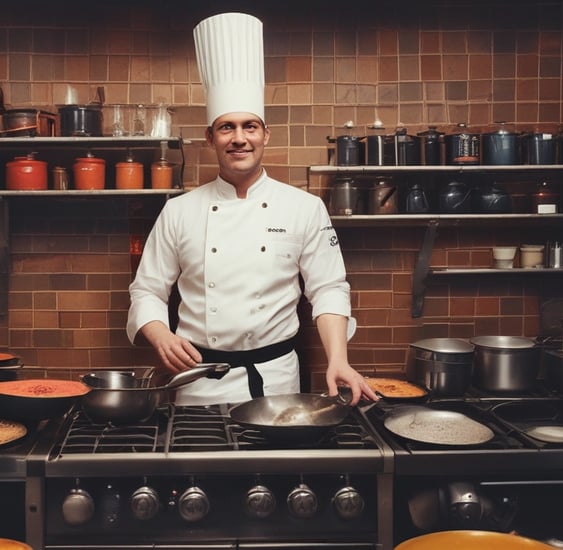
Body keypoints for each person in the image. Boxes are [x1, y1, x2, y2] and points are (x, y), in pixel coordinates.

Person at [126, 12, 378, 407]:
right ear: (210, 137)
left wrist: (339, 360)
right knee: (199, 467)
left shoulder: (304, 208)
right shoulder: (179, 211)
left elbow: (328, 289)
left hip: (277, 378)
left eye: (250, 127)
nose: (239, 138)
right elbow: (147, 290)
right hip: (197, 381)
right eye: (227, 127)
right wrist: (160, 335)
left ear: (265, 134)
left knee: (273, 469)